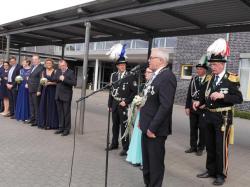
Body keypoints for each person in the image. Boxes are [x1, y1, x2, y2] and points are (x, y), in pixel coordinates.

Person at [194, 38, 243, 186]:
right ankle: (210, 170)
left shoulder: (231, 78)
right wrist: (199, 102)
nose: (212, 67)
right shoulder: (209, 78)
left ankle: (221, 174)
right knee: (209, 145)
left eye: (215, 65)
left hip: (223, 118)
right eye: (211, 64)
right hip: (208, 116)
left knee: (220, 147)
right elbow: (203, 95)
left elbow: (239, 98)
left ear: (222, 64)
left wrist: (223, 96)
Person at [140, 48, 177, 187]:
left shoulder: (167, 77)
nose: (149, 60)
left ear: (161, 60)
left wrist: (152, 127)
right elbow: (149, 100)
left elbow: (165, 106)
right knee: (147, 163)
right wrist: (142, 121)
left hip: (155, 130)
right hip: (146, 126)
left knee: (155, 164)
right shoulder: (156, 75)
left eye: (151, 58)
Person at [107, 56, 137, 156]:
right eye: (120, 65)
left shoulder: (130, 76)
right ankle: (114, 143)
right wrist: (109, 104)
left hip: (124, 104)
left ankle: (125, 147)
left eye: (124, 65)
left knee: (124, 127)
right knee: (115, 125)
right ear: (117, 66)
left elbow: (134, 92)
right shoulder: (113, 76)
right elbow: (111, 91)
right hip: (115, 104)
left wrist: (127, 102)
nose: (122, 66)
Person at [126, 67, 153, 166]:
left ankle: (143, 160)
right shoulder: (144, 85)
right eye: (145, 72)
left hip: (147, 115)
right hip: (141, 113)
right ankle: (136, 158)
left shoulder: (153, 85)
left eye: (148, 72)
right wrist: (137, 103)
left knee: (143, 136)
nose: (145, 74)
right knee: (137, 136)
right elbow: (141, 96)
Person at [185, 55, 210, 156]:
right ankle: (193, 146)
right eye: (197, 69)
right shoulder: (194, 79)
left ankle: (201, 147)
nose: (198, 71)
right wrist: (187, 106)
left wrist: (205, 105)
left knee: (202, 128)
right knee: (193, 127)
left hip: (203, 108)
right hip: (193, 107)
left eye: (200, 69)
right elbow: (189, 94)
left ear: (205, 70)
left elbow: (209, 95)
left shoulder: (208, 80)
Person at [54, 59, 76, 136]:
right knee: (60, 113)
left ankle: (67, 129)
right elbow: (55, 79)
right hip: (58, 95)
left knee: (66, 113)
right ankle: (61, 128)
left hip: (66, 96)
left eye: (63, 65)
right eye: (60, 66)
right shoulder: (58, 71)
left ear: (66, 65)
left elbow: (74, 83)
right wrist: (58, 78)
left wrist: (64, 79)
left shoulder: (71, 72)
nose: (62, 67)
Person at [37, 58, 59, 130]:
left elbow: (57, 82)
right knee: (44, 105)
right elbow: (41, 82)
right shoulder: (43, 72)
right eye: (47, 63)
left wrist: (50, 83)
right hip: (45, 91)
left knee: (51, 107)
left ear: (52, 64)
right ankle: (44, 123)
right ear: (45, 64)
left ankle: (51, 124)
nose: (48, 64)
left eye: (50, 63)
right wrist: (39, 90)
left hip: (52, 91)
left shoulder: (55, 71)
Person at [26, 54, 44, 126]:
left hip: (36, 90)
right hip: (30, 88)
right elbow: (30, 77)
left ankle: (37, 120)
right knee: (31, 105)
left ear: (39, 60)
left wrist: (39, 90)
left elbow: (41, 80)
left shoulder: (41, 68)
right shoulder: (32, 66)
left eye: (35, 59)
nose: (34, 61)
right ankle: (32, 118)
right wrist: (27, 82)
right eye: (33, 59)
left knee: (36, 106)